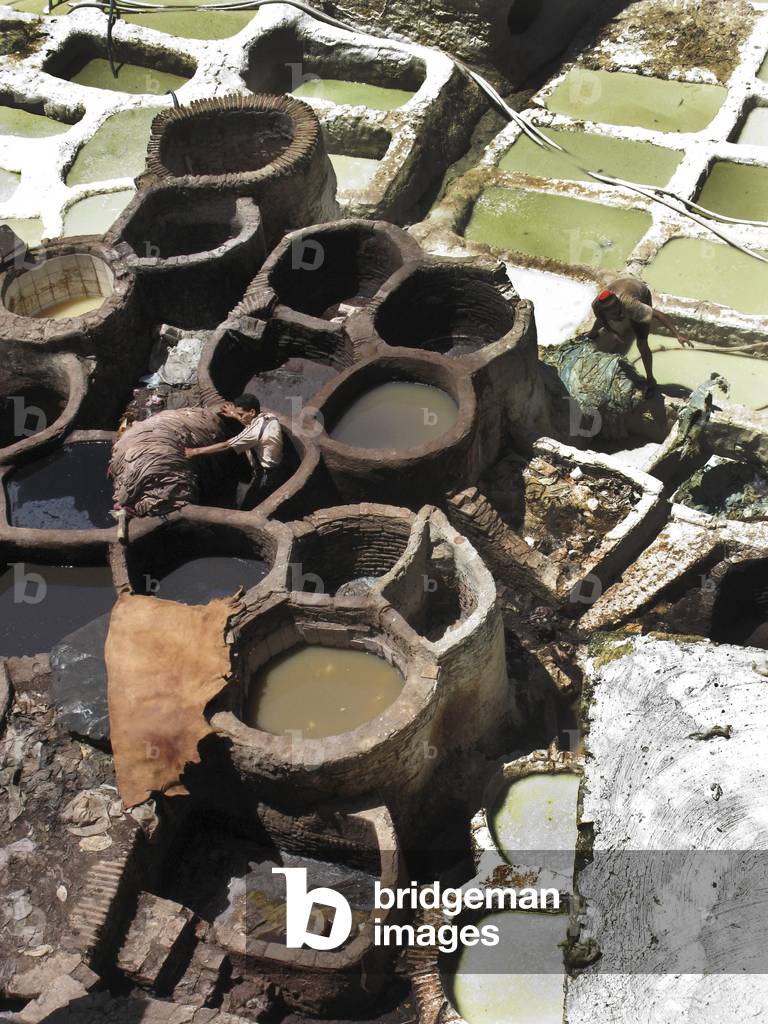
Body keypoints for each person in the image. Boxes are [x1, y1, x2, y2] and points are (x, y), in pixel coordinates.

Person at [587, 275, 692, 396]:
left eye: (616, 312)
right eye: (611, 314)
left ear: (619, 306)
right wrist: (611, 331)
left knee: (642, 343)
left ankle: (651, 380)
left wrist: (678, 335)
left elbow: (658, 315)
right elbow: (601, 318)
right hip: (622, 285)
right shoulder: (596, 305)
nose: (615, 317)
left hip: (640, 291)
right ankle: (592, 333)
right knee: (600, 322)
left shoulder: (632, 306)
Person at [185, 394, 284, 510]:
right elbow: (252, 426)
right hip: (276, 467)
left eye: (242, 414)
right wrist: (235, 415)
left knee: (248, 504)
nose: (240, 418)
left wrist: (195, 451)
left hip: (265, 475)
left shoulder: (254, 432)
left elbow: (226, 445)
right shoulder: (268, 417)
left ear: (252, 412)